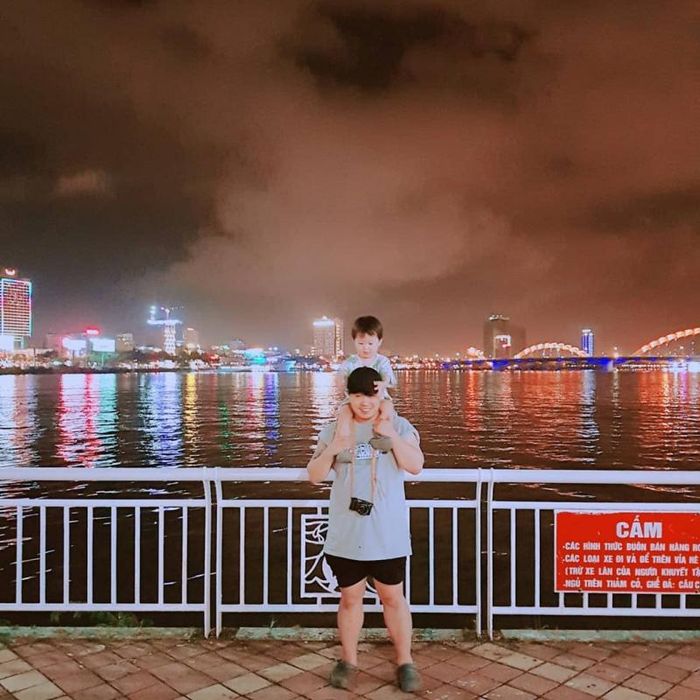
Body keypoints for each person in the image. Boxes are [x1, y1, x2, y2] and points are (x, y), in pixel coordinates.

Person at [307, 366, 424, 693]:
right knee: (349, 598)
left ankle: (405, 662)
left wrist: (391, 435)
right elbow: (315, 475)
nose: (365, 402)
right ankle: (348, 661)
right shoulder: (334, 430)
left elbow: (416, 465)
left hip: (387, 533)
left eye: (371, 395)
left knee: (393, 598)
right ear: (348, 396)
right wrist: (336, 445)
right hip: (347, 533)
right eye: (357, 395)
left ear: (381, 394)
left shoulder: (399, 425)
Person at [335, 316, 396, 441]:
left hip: (379, 398)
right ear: (354, 341)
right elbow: (342, 372)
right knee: (344, 412)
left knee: (387, 408)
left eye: (370, 344)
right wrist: (340, 380)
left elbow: (387, 375)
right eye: (361, 344)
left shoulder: (382, 361)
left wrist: (383, 383)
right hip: (354, 400)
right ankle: (343, 437)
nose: (366, 348)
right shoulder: (350, 361)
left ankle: (383, 433)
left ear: (379, 342)